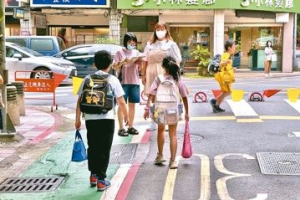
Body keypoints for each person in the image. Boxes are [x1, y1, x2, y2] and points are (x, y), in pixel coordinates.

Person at [75, 50, 129, 192]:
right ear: (110, 64)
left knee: (93, 146)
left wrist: (77, 120)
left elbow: (79, 100)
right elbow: (121, 101)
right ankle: (101, 180)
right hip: (106, 119)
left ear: (94, 64)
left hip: (90, 119)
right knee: (104, 149)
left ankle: (93, 175)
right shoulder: (112, 79)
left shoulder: (87, 78)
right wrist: (127, 117)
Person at [143, 56, 189, 169]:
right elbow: (184, 97)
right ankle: (173, 161)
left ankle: (160, 155)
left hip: (160, 108)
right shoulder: (177, 79)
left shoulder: (158, 79)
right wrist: (187, 112)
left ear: (163, 66)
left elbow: (151, 94)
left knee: (161, 130)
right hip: (173, 108)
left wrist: (147, 108)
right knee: (173, 134)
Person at [142, 21, 182, 131]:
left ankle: (169, 120)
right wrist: (143, 74)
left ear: (166, 30)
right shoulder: (149, 45)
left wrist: (174, 74)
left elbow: (177, 60)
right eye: (158, 29)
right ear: (155, 31)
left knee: (166, 96)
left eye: (162, 29)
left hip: (165, 72)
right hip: (151, 72)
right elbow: (144, 60)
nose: (160, 31)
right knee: (153, 97)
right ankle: (154, 121)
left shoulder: (171, 44)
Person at [112, 32, 143, 136]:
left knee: (132, 105)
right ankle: (121, 128)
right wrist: (123, 62)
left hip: (135, 82)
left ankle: (130, 126)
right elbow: (114, 67)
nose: (132, 43)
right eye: (130, 41)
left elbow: (140, 69)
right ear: (125, 42)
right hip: (123, 82)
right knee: (121, 105)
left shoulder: (137, 52)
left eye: (133, 41)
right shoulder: (119, 52)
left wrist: (139, 63)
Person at [210, 40, 236, 113]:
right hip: (224, 77)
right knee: (228, 92)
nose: (235, 48)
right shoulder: (226, 54)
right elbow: (221, 63)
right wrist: (226, 62)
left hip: (226, 76)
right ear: (229, 48)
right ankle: (214, 101)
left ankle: (216, 106)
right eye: (234, 47)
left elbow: (226, 66)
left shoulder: (227, 55)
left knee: (226, 92)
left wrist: (231, 68)